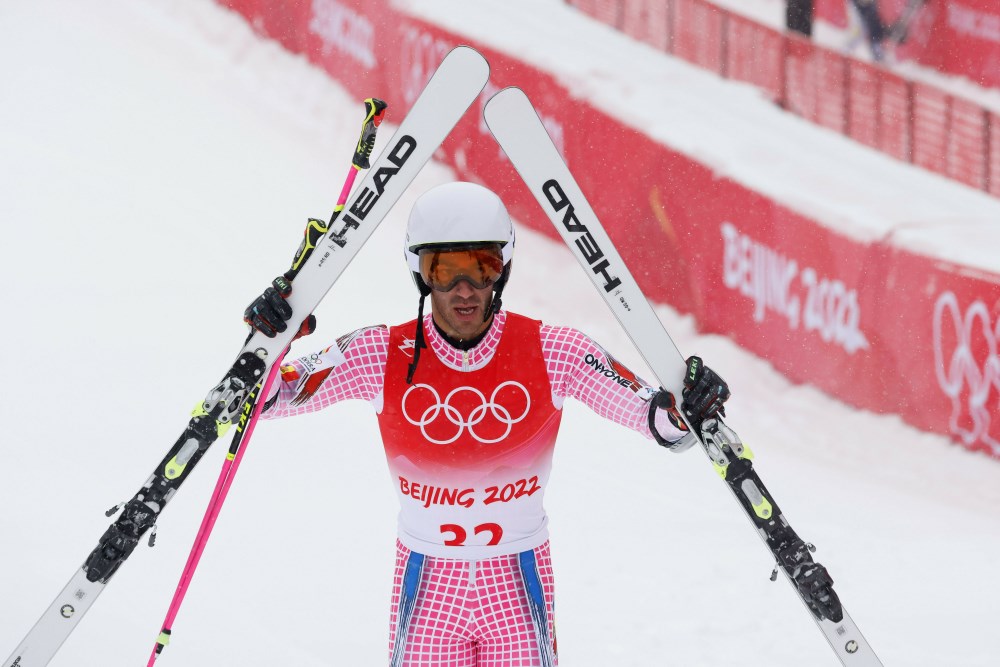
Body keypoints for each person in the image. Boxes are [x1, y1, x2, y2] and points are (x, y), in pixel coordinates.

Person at [243, 182, 731, 666]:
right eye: (445, 269)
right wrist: (271, 339)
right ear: (420, 273)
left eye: (482, 267)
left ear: (504, 268)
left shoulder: (553, 349)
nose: (464, 289)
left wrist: (687, 406)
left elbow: (655, 420)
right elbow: (269, 400)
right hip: (427, 579)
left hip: (517, 581)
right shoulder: (379, 352)